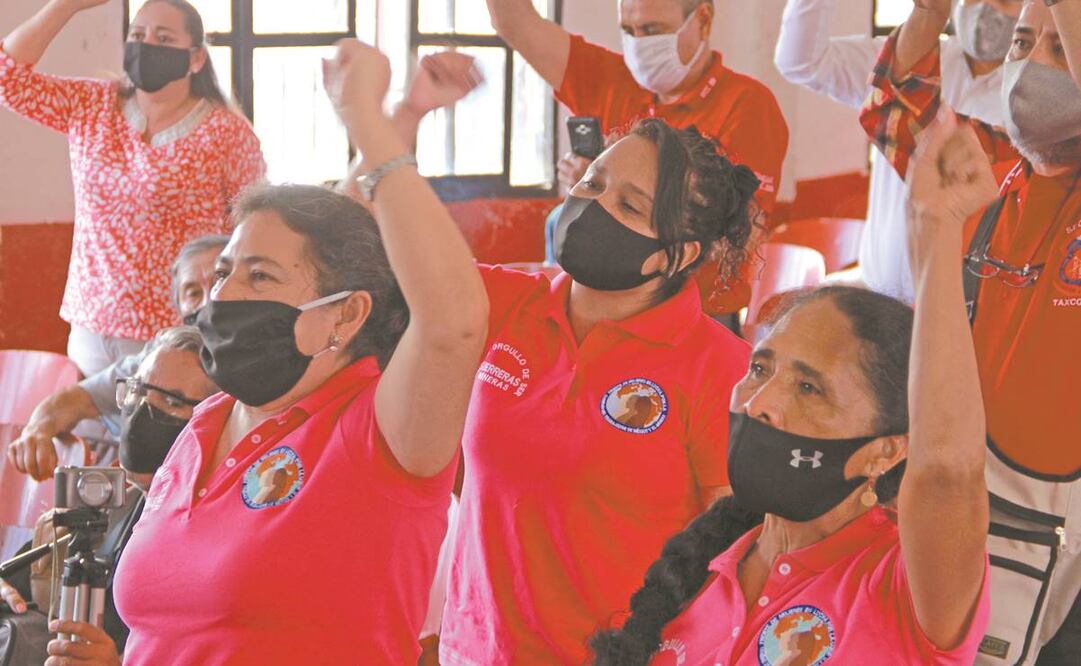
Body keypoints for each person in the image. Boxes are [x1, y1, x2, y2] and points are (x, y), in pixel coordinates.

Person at [111, 38, 488, 665]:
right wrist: (406, 114)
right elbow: (332, 234)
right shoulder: (207, 421)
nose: (225, 294)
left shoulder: (379, 433)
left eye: (259, 277)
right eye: (226, 269)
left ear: (345, 314)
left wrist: (367, 117)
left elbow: (453, 324)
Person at [591, 110, 997, 666]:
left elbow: (949, 471)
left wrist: (937, 231)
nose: (762, 405)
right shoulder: (707, 567)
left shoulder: (900, 586)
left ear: (887, 448)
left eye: (810, 389)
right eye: (761, 369)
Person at [438, 119, 759, 664]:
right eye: (591, 184)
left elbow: (734, 557)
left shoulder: (721, 369)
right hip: (475, 647)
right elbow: (378, 269)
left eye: (630, 207)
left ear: (676, 256)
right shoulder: (508, 303)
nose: (594, 207)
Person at [861, 1, 1081, 662]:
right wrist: (928, 12)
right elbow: (895, 104)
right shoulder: (988, 172)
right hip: (961, 518)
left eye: (1060, 50)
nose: (1031, 67)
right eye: (1021, 43)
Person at [0, 0, 266, 377]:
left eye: (163, 37)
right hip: (92, 325)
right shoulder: (92, 106)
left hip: (179, 329)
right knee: (88, 429)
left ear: (195, 58)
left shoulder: (226, 133)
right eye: (137, 35)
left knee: (159, 434)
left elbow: (251, 227)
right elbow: (7, 77)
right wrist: (64, 7)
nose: (146, 44)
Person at [486, 0, 789, 314]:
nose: (639, 44)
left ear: (703, 19)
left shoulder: (747, 105)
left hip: (695, 316)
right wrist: (594, 190)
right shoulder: (612, 81)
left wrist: (612, 200)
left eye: (652, 30)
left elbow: (742, 235)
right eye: (628, 31)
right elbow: (515, 23)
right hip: (600, 308)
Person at [775, 0, 1021, 303]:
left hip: (964, 310)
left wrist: (928, 17)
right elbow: (800, 62)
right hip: (880, 298)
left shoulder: (1035, 94)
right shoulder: (914, 56)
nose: (984, 6)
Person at [0, 326, 216, 666]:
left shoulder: (215, 543)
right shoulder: (119, 503)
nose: (144, 412)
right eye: (139, 392)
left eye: (172, 402)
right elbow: (14, 577)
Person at [6, 235, 227, 480]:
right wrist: (37, 431)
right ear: (178, 308)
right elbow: (80, 397)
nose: (209, 302)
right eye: (193, 293)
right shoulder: (160, 362)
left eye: (219, 283)